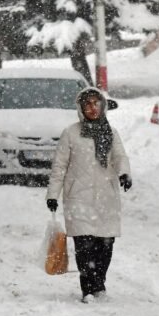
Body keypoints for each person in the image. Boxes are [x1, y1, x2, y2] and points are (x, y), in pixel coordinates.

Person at [46, 88, 132, 303]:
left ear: (102, 105)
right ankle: (88, 290)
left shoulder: (111, 133)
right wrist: (52, 194)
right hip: (78, 196)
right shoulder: (71, 133)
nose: (92, 108)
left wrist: (124, 174)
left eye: (96, 103)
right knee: (84, 245)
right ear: (81, 109)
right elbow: (59, 166)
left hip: (106, 197)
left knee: (105, 244)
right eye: (87, 104)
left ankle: (99, 283)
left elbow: (120, 157)